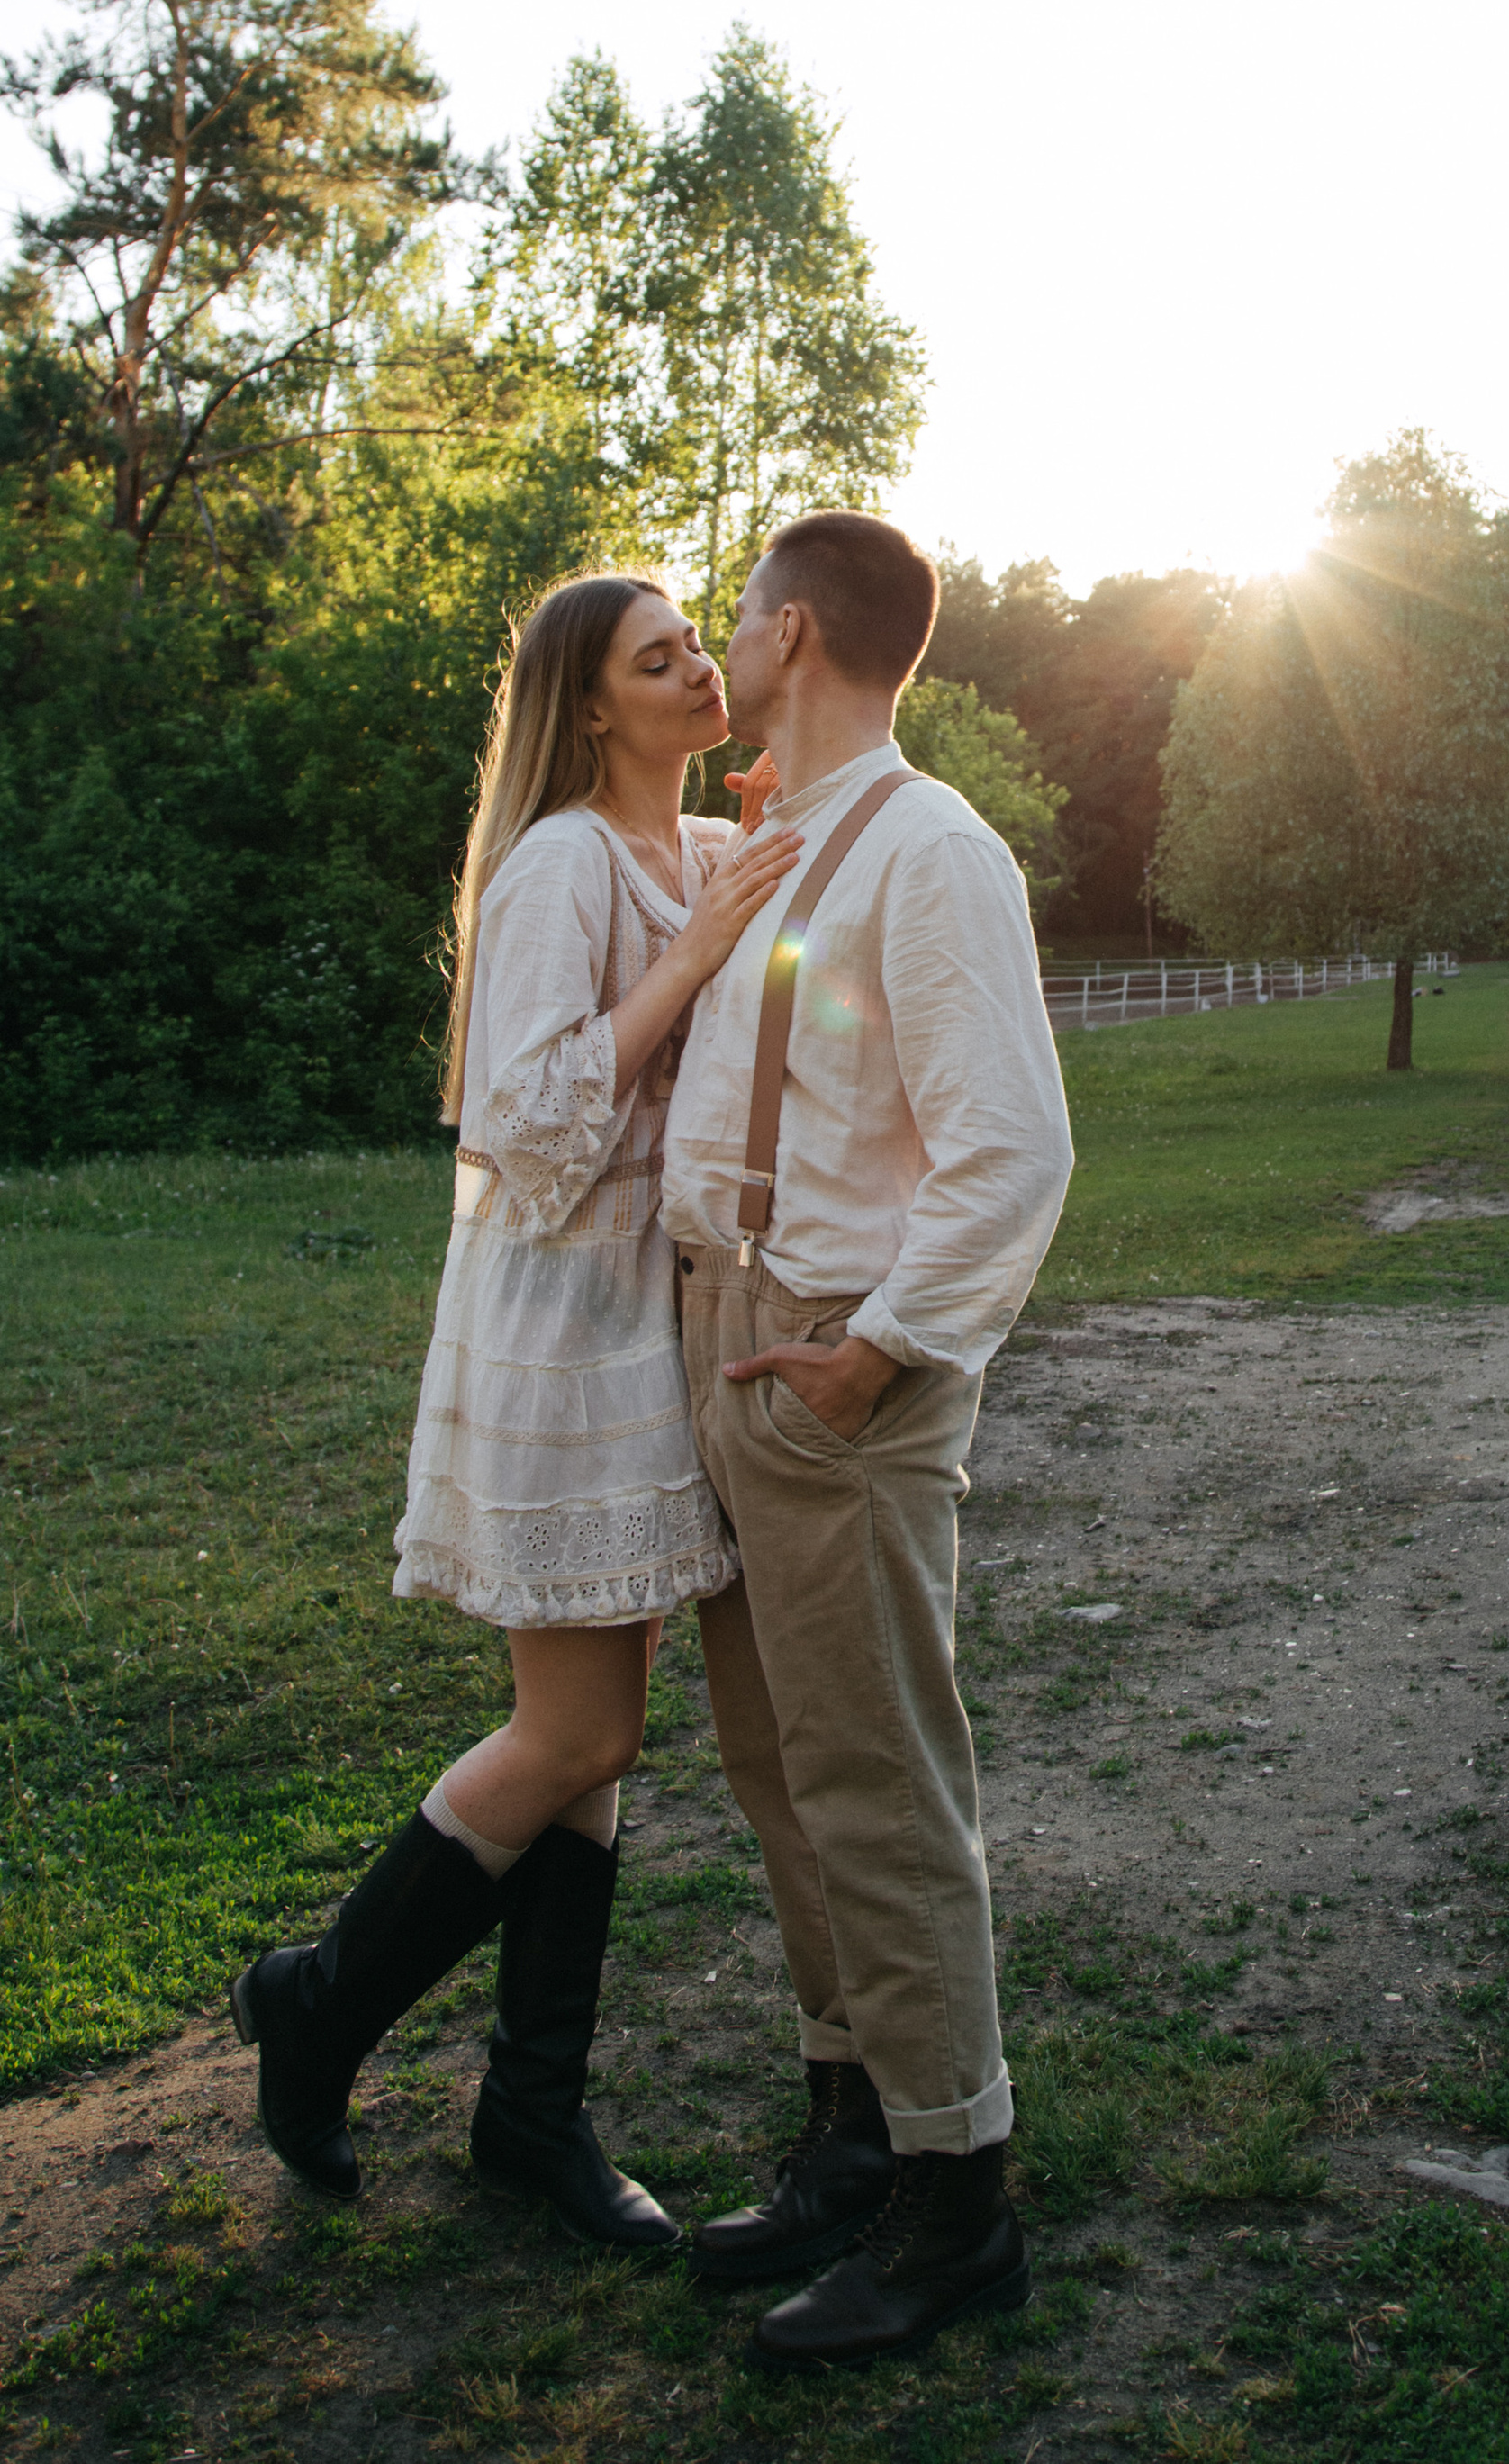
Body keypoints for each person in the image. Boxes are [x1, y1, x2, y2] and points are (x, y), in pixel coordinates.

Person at [230, 571, 803, 2243]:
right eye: (659, 659)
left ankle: (530, 2116)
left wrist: (757, 860)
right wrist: (697, 948)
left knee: (598, 1730)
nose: (700, 666)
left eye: (701, 640)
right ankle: (317, 2003)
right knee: (583, 1733)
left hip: (664, 1312)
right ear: (589, 709)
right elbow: (525, 1123)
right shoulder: (562, 860)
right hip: (566, 1313)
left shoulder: (697, 848)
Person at [659, 510, 1074, 2369]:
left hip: (838, 1362)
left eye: (735, 610)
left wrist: (882, 1347)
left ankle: (953, 2194)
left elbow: (1012, 1150)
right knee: (776, 1764)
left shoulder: (928, 851)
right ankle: (845, 2129)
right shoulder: (774, 845)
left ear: (797, 631)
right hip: (727, 1336)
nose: (721, 637)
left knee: (880, 1779)